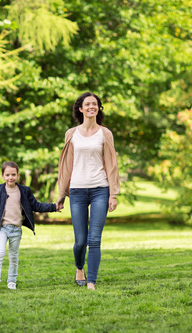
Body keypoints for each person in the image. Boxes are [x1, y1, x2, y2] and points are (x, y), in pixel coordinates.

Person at [56, 92, 120, 291]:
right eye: (88, 104)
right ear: (81, 109)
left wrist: (113, 193)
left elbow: (111, 165)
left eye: (95, 104)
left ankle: (91, 280)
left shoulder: (105, 133)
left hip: (100, 188)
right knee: (80, 240)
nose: (92, 106)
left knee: (94, 239)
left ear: (98, 109)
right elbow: (66, 165)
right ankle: (79, 268)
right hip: (77, 190)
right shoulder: (71, 134)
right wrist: (61, 193)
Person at [0, 161, 60, 292]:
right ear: (3, 176)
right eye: (7, 174)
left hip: (16, 229)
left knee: (13, 256)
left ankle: (11, 281)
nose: (11, 177)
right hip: (2, 228)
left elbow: (36, 205)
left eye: (13, 174)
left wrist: (53, 207)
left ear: (18, 175)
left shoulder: (24, 191)